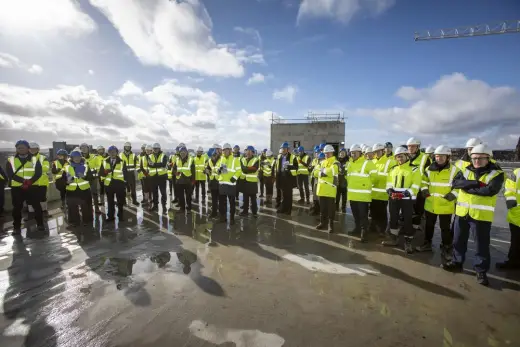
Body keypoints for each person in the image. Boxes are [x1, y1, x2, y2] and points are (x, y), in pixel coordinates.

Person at [443, 144, 504, 286]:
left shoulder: (496, 173)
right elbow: (456, 183)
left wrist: (468, 189)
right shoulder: (465, 170)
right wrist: (475, 183)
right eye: (474, 158)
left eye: (480, 158)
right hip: (462, 212)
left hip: (481, 215)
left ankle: (481, 270)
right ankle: (457, 262)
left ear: (488, 158)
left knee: (481, 245)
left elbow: (490, 191)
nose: (476, 161)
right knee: (458, 240)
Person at [417, 146, 460, 263]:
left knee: (445, 228)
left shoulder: (455, 171)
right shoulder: (429, 170)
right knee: (429, 226)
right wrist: (424, 190)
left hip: (445, 205)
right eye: (437, 156)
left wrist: (453, 195)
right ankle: (427, 244)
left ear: (448, 157)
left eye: (442, 156)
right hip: (430, 204)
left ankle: (446, 247)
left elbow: (459, 187)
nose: (439, 158)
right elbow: (423, 182)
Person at [382, 146, 422, 253]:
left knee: (407, 220)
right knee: (393, 219)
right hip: (394, 198)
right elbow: (389, 183)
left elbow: (416, 185)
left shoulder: (414, 169)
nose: (400, 158)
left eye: (402, 156)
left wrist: (404, 194)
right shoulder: (393, 169)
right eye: (398, 156)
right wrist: (390, 191)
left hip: (407, 199)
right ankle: (393, 239)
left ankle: (408, 242)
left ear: (407, 156)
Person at [6, 140, 45, 234]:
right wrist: (23, 181)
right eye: (18, 147)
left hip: (32, 187)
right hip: (17, 188)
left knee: (36, 206)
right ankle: (16, 228)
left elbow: (38, 173)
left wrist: (30, 182)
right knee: (17, 208)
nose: (20, 149)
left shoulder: (35, 159)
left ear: (28, 148)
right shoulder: (10, 160)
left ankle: (40, 224)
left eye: (23, 147)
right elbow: (10, 174)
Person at [346, 144, 377, 242]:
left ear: (360, 153)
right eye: (352, 152)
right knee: (355, 214)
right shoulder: (350, 164)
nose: (353, 154)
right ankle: (357, 228)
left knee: (363, 215)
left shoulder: (367, 163)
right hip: (352, 195)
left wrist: (366, 186)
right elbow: (349, 177)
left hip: (363, 196)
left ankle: (364, 232)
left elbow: (374, 178)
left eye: (355, 152)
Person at [406, 137, 432, 233]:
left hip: (420, 189)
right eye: (409, 146)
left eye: (413, 146)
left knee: (418, 209)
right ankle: (407, 225)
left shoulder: (425, 158)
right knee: (407, 208)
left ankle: (415, 226)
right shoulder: (404, 156)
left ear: (418, 147)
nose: (410, 148)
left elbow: (429, 174)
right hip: (407, 187)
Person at [370, 143, 395, 237]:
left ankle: (382, 230)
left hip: (383, 193)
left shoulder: (390, 161)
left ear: (382, 151)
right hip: (373, 192)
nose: (377, 153)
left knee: (382, 213)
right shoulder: (372, 162)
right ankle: (373, 227)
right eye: (375, 152)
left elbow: (392, 176)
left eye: (379, 151)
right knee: (373, 211)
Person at [65, 150, 94, 227]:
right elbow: (61, 179)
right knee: (72, 207)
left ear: (81, 157)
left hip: (84, 189)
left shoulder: (86, 166)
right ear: (71, 158)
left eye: (78, 157)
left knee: (86, 207)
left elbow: (91, 178)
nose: (77, 159)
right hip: (72, 190)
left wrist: (84, 177)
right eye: (75, 157)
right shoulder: (67, 167)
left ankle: (87, 221)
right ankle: (75, 222)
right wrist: (66, 182)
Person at [498, 167, 520, 269]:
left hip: (516, 213)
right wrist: (511, 200)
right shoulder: (517, 172)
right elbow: (509, 188)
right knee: (515, 240)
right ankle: (513, 262)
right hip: (517, 214)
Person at [99, 145, 127, 222]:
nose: (112, 153)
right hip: (109, 185)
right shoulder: (104, 161)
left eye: (114, 152)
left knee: (120, 201)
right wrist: (105, 172)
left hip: (119, 184)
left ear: (117, 153)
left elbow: (125, 174)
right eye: (110, 152)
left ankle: (120, 215)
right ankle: (111, 216)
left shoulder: (122, 162)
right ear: (108, 153)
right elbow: (100, 173)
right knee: (110, 201)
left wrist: (125, 184)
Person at [217, 143, 242, 225]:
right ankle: (222, 217)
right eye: (224, 150)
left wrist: (233, 178)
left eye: (227, 150)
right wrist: (219, 170)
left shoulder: (235, 159)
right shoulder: (221, 159)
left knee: (232, 203)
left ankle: (232, 218)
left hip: (231, 185)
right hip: (222, 184)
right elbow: (218, 170)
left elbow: (239, 171)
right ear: (223, 151)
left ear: (230, 150)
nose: (226, 151)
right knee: (222, 203)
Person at [316, 145, 339, 232]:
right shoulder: (322, 162)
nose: (326, 155)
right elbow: (316, 171)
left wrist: (323, 171)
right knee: (322, 208)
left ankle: (331, 225)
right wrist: (322, 173)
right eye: (325, 153)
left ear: (332, 152)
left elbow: (333, 171)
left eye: (328, 153)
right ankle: (323, 223)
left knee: (330, 209)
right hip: (321, 189)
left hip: (330, 190)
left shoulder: (335, 162)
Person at [275, 142, 298, 215]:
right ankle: (283, 208)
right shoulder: (279, 157)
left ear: (288, 149)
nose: (283, 150)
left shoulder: (293, 157)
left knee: (289, 196)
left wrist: (289, 167)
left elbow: (296, 168)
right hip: (281, 177)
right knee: (283, 195)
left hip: (289, 178)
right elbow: (277, 167)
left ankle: (288, 210)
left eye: (285, 148)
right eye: (282, 148)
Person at [28, 142, 51, 218]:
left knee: (42, 198)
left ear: (38, 149)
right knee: (30, 198)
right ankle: (31, 213)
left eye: (35, 149)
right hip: (31, 182)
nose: (33, 150)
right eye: (31, 149)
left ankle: (44, 211)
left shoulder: (43, 157)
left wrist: (35, 168)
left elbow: (46, 168)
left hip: (42, 182)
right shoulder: (26, 158)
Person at [173, 146, 195, 214]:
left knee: (188, 196)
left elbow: (193, 171)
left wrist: (193, 181)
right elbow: (174, 169)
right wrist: (175, 172)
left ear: (186, 152)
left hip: (188, 181)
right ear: (179, 153)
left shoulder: (190, 159)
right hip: (179, 181)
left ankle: (189, 208)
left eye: (184, 152)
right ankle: (182, 208)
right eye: (181, 152)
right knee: (180, 196)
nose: (183, 153)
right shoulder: (177, 160)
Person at [239, 146, 260, 217]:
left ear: (253, 152)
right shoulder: (243, 159)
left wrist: (246, 169)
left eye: (250, 151)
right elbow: (241, 168)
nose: (248, 152)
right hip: (245, 182)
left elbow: (254, 169)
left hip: (252, 182)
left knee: (253, 198)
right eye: (247, 151)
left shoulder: (256, 160)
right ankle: (245, 211)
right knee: (245, 198)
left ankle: (254, 212)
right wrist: (247, 169)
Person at [148, 142, 168, 212]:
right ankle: (155, 205)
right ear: (153, 149)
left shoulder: (163, 155)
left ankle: (164, 205)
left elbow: (163, 164)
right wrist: (158, 164)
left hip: (162, 177)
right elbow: (150, 165)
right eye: (154, 148)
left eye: (157, 148)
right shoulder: (150, 156)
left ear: (159, 149)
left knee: (163, 192)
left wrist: (154, 164)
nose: (155, 150)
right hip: (153, 177)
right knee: (155, 193)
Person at [120, 142, 139, 206]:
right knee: (123, 189)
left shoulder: (133, 155)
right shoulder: (120, 155)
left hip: (131, 174)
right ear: (124, 147)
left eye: (128, 147)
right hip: (123, 174)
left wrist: (139, 170)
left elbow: (137, 164)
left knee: (133, 188)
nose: (127, 148)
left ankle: (134, 201)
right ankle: (123, 201)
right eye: (126, 147)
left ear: (130, 148)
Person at [205, 148, 220, 218]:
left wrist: (218, 171)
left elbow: (224, 172)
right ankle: (214, 213)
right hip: (212, 183)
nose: (212, 157)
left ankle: (222, 213)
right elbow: (208, 168)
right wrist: (206, 171)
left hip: (220, 183)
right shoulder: (210, 161)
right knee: (214, 199)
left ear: (216, 154)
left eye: (213, 155)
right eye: (211, 156)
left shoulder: (221, 160)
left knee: (221, 200)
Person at [336, 148, 349, 213]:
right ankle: (336, 207)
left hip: (344, 182)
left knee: (344, 197)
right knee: (337, 196)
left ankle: (343, 208)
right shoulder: (336, 161)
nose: (342, 154)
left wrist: (343, 171)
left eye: (343, 153)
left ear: (345, 154)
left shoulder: (348, 161)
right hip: (338, 182)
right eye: (341, 153)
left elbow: (347, 171)